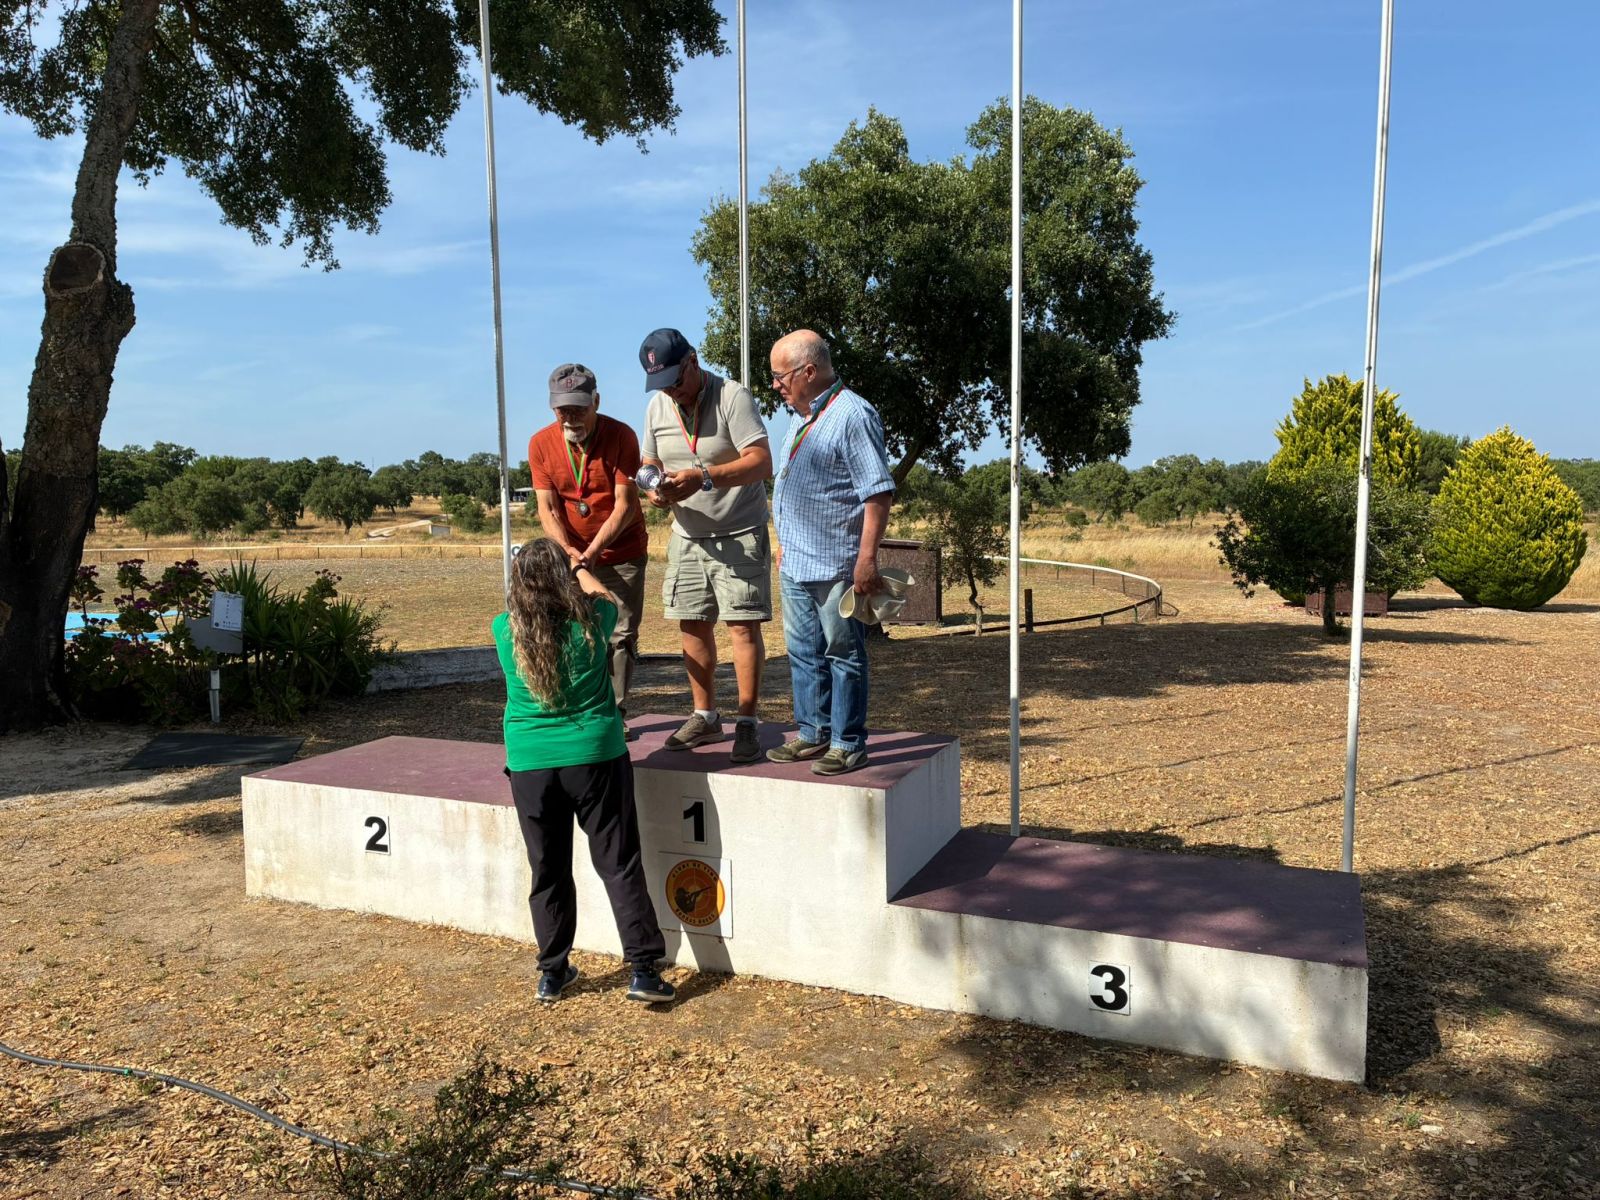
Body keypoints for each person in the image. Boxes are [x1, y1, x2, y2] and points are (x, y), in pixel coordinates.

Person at [492, 538, 674, 1005]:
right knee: (619, 863)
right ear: (563, 579)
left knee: (547, 869)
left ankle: (552, 974)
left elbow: (529, 617)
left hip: (531, 763)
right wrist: (578, 565)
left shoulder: (504, 629)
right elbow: (607, 596)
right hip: (594, 755)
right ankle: (643, 971)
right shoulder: (593, 621)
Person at [637, 328, 774, 765]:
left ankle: (747, 721)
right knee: (691, 625)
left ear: (693, 361)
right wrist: (653, 488)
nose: (671, 391)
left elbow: (762, 462)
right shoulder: (658, 405)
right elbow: (648, 463)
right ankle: (705, 716)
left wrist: (704, 477)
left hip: (739, 531)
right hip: (687, 535)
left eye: (676, 380)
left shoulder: (733, 397)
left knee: (742, 627)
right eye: (662, 384)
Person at [766, 330, 895, 776]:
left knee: (843, 653)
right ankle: (813, 732)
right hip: (797, 562)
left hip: (836, 564)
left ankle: (847, 742)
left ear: (809, 371)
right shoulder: (801, 416)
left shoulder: (852, 414)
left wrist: (867, 559)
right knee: (803, 652)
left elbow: (877, 494)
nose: (775, 385)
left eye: (780, 376)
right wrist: (785, 543)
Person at [527, 363, 648, 732]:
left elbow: (625, 505)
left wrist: (592, 553)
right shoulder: (540, 443)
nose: (571, 417)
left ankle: (615, 715)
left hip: (621, 552)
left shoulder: (621, 436)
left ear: (596, 401)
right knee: (573, 631)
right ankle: (579, 710)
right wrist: (568, 553)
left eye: (579, 408)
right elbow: (547, 509)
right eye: (563, 409)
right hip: (569, 555)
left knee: (620, 634)